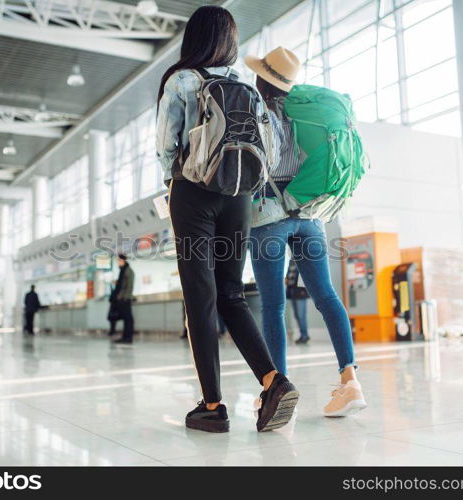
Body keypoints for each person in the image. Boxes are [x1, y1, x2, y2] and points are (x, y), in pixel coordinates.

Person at [156, 5, 298, 433]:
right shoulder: (245, 88)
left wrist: (173, 185)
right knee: (231, 295)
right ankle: (274, 382)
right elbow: (268, 152)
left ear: (194, 38)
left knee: (200, 298)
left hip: (193, 192)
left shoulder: (182, 80)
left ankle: (213, 406)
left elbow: (167, 144)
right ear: (231, 42)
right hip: (239, 196)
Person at [246, 46, 367, 417]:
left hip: (268, 214)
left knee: (273, 305)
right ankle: (350, 381)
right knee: (327, 296)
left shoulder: (254, 111)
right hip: (311, 214)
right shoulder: (307, 111)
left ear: (261, 78)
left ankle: (278, 389)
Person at [110, 254, 135, 344]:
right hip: (122, 298)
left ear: (123, 261)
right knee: (125, 318)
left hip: (125, 298)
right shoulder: (123, 271)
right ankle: (125, 337)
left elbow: (129, 286)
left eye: (119, 261)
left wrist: (124, 297)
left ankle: (128, 337)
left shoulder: (128, 271)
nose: (117, 262)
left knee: (128, 318)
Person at [286, 259, 310, 344]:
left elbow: (305, 276)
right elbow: (289, 275)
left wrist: (304, 290)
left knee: (301, 315)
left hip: (301, 292)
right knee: (296, 315)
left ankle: (305, 336)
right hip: (292, 291)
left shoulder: (302, 259)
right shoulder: (291, 261)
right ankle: (302, 335)